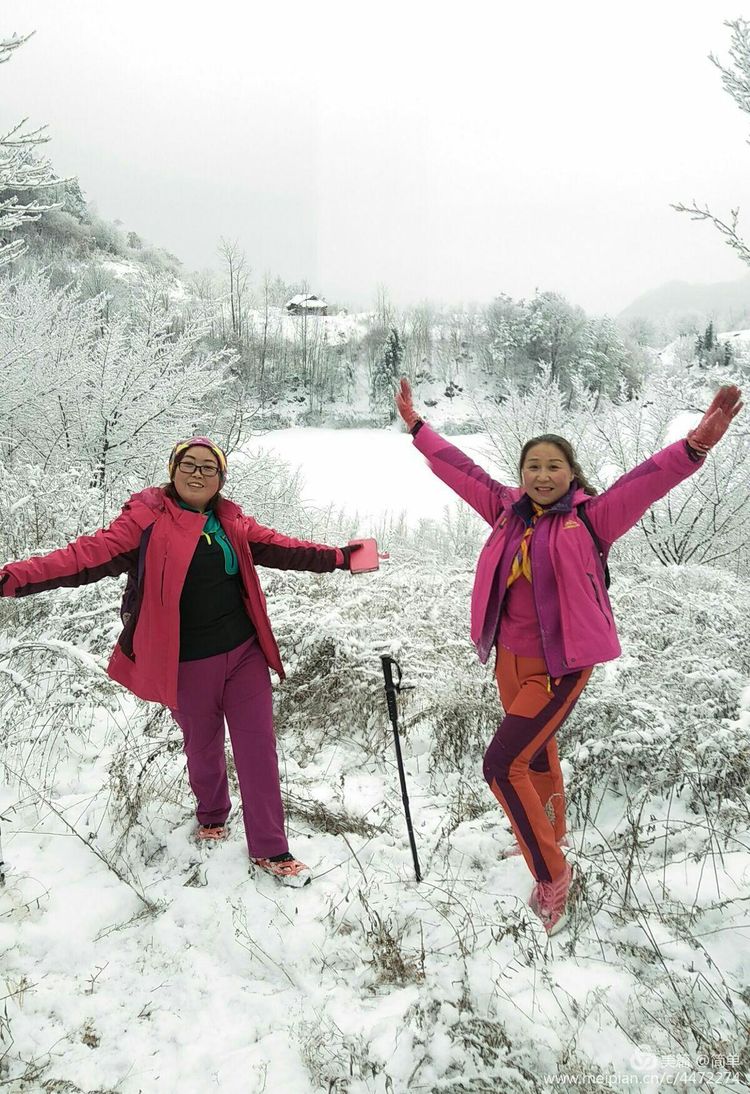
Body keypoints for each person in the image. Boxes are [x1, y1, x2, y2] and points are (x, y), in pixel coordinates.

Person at [395, 380, 743, 934]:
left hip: (560, 665)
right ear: (521, 473)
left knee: (501, 765)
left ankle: (553, 873)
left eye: (553, 466)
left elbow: (645, 481)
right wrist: (418, 428)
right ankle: (549, 833)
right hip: (508, 661)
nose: (542, 475)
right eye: (532, 466)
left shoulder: (592, 518)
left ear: (571, 473)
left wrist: (694, 447)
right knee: (534, 753)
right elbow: (460, 469)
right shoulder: (506, 511)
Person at [0, 437, 363, 888]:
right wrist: (11, 578)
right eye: (188, 464)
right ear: (173, 471)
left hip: (244, 654)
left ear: (220, 479)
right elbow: (83, 557)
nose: (197, 473)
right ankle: (212, 814)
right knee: (202, 745)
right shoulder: (146, 519)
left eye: (209, 467)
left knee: (258, 747)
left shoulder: (231, 521)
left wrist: (342, 558)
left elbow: (285, 548)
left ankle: (271, 848)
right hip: (186, 661)